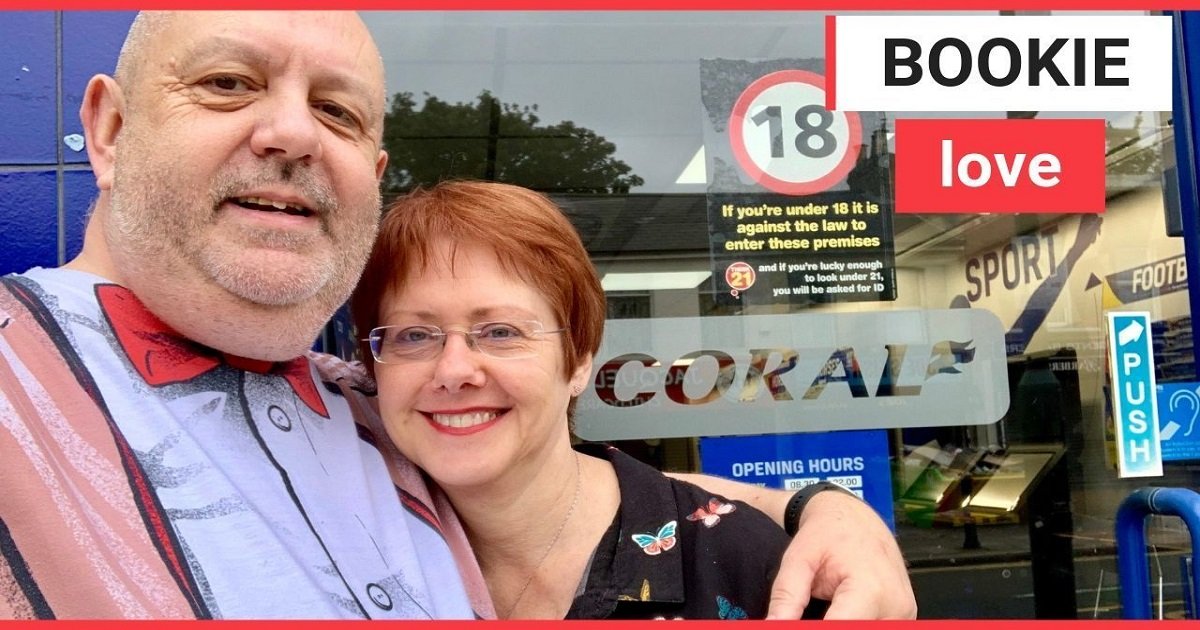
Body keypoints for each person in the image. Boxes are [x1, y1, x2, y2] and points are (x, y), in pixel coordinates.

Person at [0, 10, 915, 620]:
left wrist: (826, 510)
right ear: (110, 132)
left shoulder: (367, 408)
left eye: (336, 110)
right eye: (229, 84)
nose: (290, 133)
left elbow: (600, 498)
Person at [351, 180, 805, 619]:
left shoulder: (741, 564)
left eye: (501, 332)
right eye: (413, 335)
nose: (453, 371)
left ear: (579, 361)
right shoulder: (339, 545)